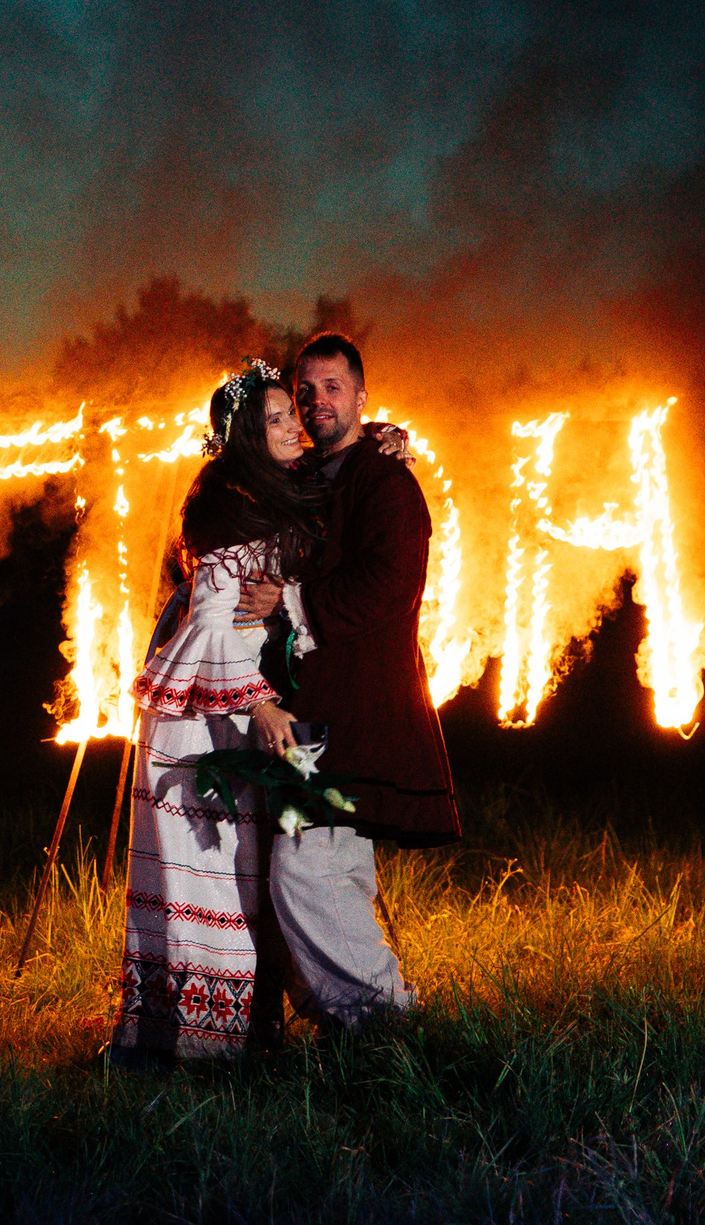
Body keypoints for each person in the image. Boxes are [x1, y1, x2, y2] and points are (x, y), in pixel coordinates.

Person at [240, 331, 459, 1032]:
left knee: (305, 867)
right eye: (305, 391)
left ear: (362, 395)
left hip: (359, 710)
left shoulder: (387, 483)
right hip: (316, 711)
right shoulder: (305, 476)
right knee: (335, 868)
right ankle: (357, 1026)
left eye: (333, 387)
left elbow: (392, 583)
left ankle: (386, 1020)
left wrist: (293, 603)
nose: (317, 401)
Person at [107, 358, 323, 1066]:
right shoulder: (226, 503)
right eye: (276, 419)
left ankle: (234, 1039)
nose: (294, 425)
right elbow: (210, 621)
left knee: (244, 875)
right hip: (204, 720)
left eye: (293, 413)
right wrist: (259, 701)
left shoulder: (269, 492)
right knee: (212, 880)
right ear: (244, 439)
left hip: (231, 713)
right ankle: (200, 1048)